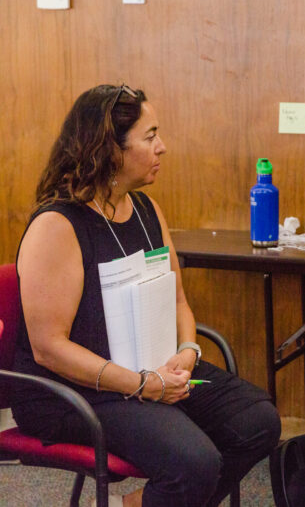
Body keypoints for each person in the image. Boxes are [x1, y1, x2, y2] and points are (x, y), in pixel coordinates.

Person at [12, 84, 281, 507]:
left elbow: (178, 302)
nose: (163, 147)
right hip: (72, 390)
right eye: (150, 136)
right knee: (194, 462)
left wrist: (188, 351)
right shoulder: (58, 225)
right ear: (110, 149)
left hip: (146, 366)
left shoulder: (146, 209)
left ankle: (142, 504)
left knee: (258, 421)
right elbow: (49, 349)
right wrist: (142, 385)